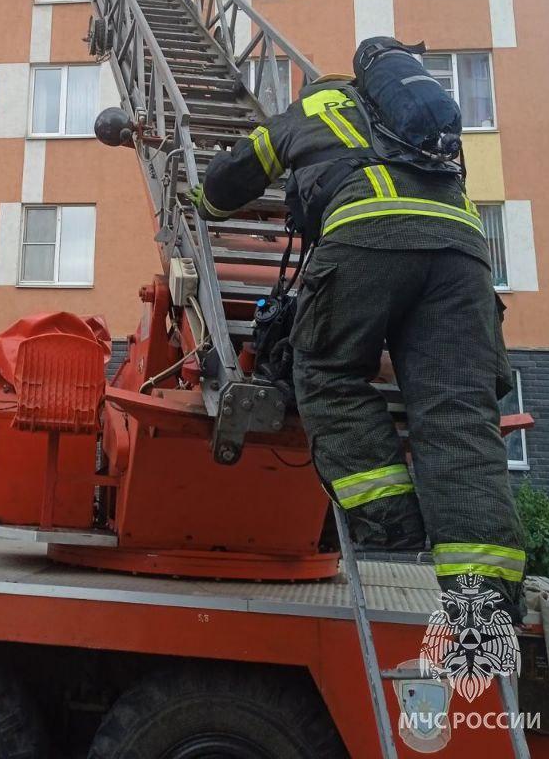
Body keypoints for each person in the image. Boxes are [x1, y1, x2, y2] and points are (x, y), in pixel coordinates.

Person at [189, 56, 527, 622]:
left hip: (367, 236)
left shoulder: (314, 108)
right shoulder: (418, 126)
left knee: (325, 371)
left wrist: (206, 205)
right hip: (464, 256)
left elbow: (236, 175)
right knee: (459, 413)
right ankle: (484, 599)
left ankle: (392, 527)